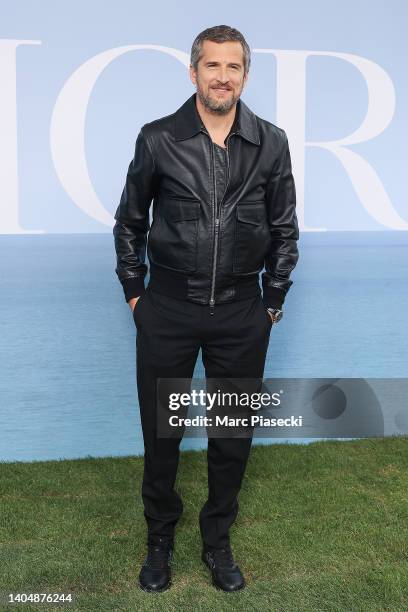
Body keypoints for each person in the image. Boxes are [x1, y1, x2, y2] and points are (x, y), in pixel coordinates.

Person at [113, 24, 299, 593]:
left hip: (242, 313)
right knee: (161, 433)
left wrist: (272, 301)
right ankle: (159, 540)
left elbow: (285, 230)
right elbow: (129, 223)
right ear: (193, 72)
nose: (223, 77)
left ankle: (217, 541)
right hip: (167, 307)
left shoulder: (271, 141)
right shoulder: (158, 139)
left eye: (233, 67)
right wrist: (136, 294)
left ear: (245, 74)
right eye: (212, 66)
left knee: (231, 434)